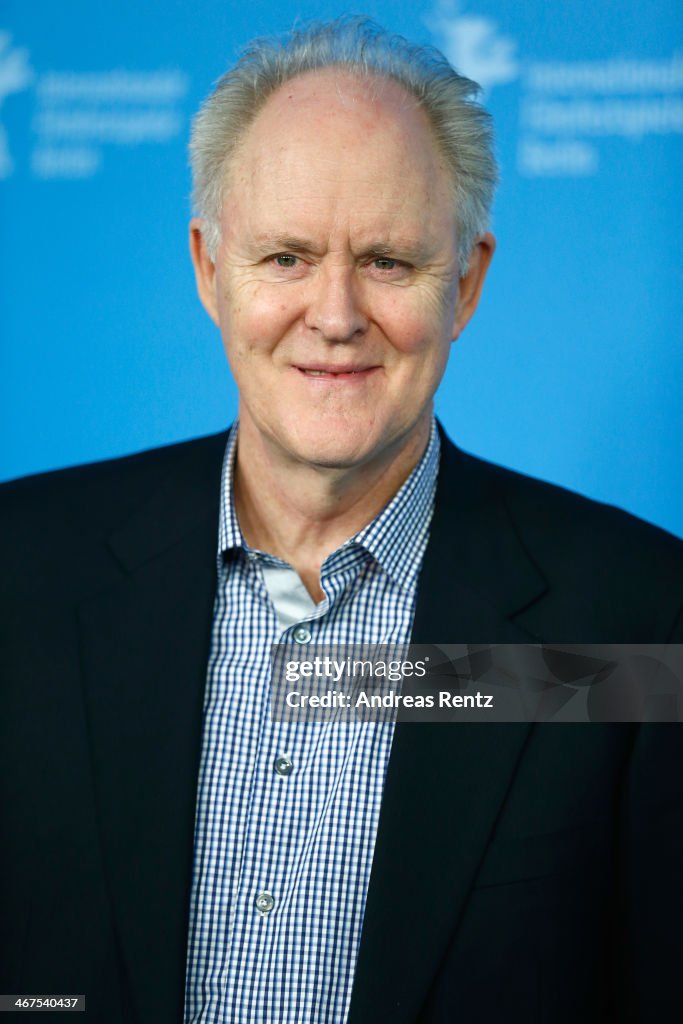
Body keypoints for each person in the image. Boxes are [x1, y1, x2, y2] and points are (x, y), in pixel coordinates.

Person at [1, 16, 682, 1024]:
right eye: (283, 257)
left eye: (388, 263)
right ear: (206, 268)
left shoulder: (632, 615)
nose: (333, 314)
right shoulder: (20, 570)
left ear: (467, 281)